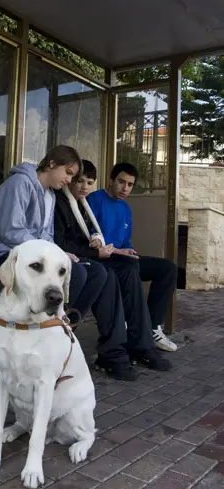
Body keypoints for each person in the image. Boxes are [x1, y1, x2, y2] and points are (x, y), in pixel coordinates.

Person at [0, 146, 138, 380]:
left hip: (36, 255)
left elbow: (46, 234)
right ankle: (41, 328)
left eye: (73, 176)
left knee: (96, 272)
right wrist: (49, 251)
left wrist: (60, 253)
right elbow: (10, 231)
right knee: (79, 275)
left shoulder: (49, 195)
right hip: (7, 254)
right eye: (69, 172)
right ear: (52, 164)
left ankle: (60, 328)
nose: (69, 180)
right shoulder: (19, 184)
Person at [54, 160, 171, 373]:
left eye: (89, 182)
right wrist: (101, 249)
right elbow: (66, 240)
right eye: (79, 180)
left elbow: (94, 233)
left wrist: (122, 249)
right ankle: (122, 347)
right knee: (113, 273)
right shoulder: (84, 201)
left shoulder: (88, 205)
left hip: (110, 257)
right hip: (97, 259)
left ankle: (145, 336)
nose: (84, 187)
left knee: (164, 268)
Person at [88, 162, 178, 352]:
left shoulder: (126, 209)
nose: (125, 188)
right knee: (130, 268)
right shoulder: (95, 200)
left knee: (167, 268)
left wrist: (130, 251)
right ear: (111, 180)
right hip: (103, 258)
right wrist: (119, 252)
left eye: (130, 184)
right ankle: (135, 328)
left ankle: (152, 327)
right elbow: (90, 237)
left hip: (123, 257)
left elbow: (125, 242)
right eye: (121, 182)